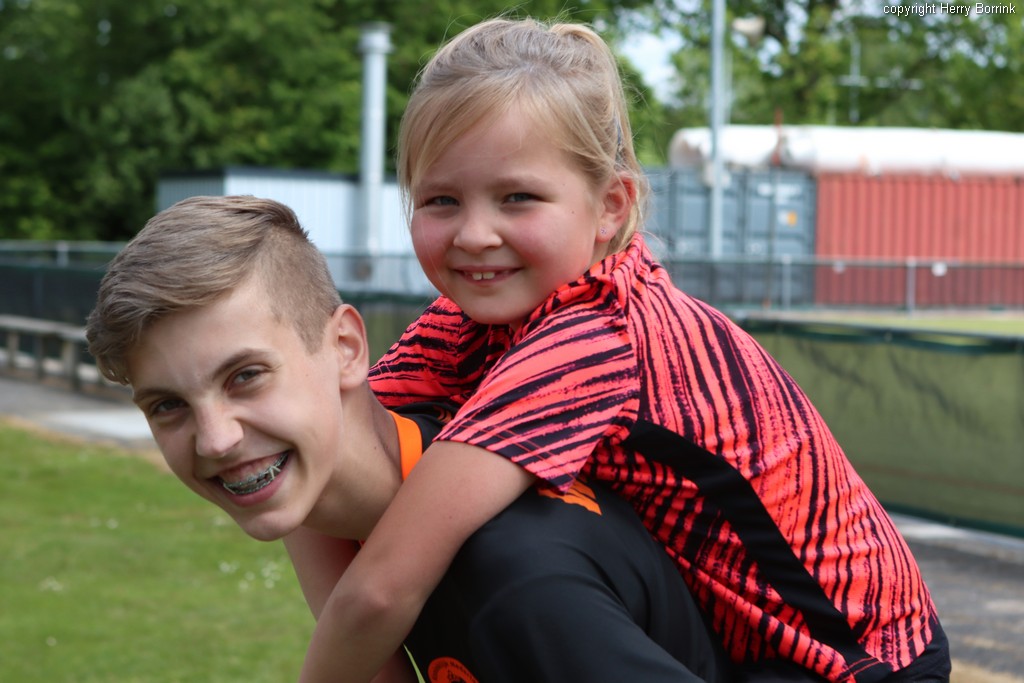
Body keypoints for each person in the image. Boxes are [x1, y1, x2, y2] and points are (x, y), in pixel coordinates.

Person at [307, 16, 952, 683]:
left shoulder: (595, 335)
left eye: (517, 198)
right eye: (441, 200)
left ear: (611, 206)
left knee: (487, 538)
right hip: (728, 639)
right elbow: (331, 432)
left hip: (856, 664)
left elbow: (383, 586)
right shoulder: (468, 320)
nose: (474, 234)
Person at [85, 195, 730, 683]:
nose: (217, 440)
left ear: (346, 348)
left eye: (246, 377)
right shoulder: (341, 495)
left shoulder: (518, 583)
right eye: (168, 406)